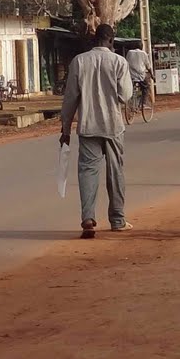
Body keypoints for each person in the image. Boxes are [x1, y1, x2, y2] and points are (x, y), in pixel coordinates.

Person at [60, 23, 134, 239]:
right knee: (115, 172)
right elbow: (126, 95)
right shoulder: (119, 62)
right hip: (113, 125)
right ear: (111, 40)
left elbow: (70, 98)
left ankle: (88, 218)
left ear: (95, 39)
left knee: (87, 172)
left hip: (88, 125)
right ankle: (118, 219)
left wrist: (65, 128)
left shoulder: (79, 61)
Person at [126, 43, 153, 111]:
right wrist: (152, 75)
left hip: (131, 75)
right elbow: (148, 66)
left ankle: (130, 104)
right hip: (141, 76)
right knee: (146, 87)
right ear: (141, 47)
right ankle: (143, 104)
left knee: (130, 89)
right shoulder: (143, 53)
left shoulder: (129, 52)